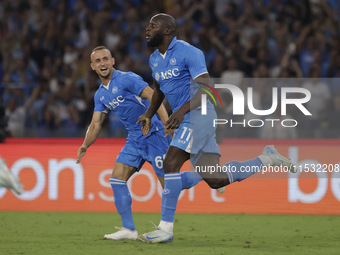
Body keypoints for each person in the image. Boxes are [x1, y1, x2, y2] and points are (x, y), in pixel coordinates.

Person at [137, 13, 295, 244]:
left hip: (198, 114)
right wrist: (149, 114)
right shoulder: (154, 59)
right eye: (148, 25)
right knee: (215, 179)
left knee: (170, 163)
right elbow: (159, 89)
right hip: (188, 118)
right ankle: (266, 159)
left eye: (153, 25)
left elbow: (208, 89)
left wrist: (180, 112)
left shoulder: (189, 52)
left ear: (167, 30)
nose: (147, 29)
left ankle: (165, 230)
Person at [76, 46, 207, 241]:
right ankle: (128, 229)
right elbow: (96, 123)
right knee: (116, 178)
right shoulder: (100, 95)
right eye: (98, 61)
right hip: (134, 139)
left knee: (172, 185)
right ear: (92, 67)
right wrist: (85, 145)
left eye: (105, 59)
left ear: (113, 61)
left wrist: (167, 124)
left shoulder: (126, 78)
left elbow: (154, 95)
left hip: (154, 134)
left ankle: (207, 173)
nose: (102, 63)